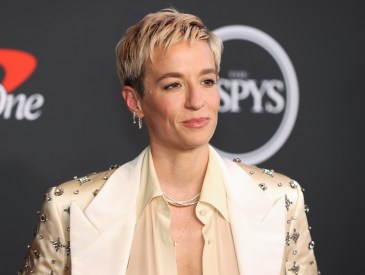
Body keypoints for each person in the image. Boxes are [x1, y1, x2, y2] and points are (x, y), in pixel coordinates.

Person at [19, 8, 318, 275]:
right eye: (173, 85)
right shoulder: (71, 208)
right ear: (135, 101)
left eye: (207, 81)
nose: (197, 101)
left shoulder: (281, 201)